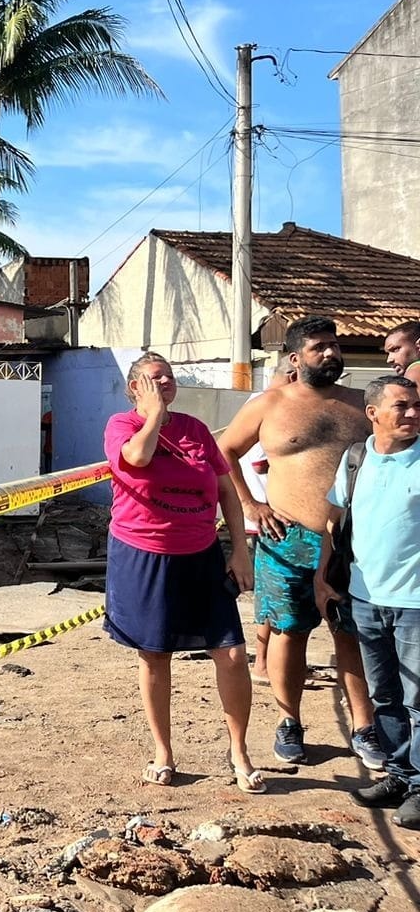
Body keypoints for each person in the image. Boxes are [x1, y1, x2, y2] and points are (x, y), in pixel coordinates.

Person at [217, 316, 382, 769]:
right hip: (286, 538)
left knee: (351, 633)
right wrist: (251, 504)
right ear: (294, 358)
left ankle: (364, 727)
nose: (330, 353)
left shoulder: (362, 404)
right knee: (290, 634)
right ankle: (290, 721)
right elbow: (224, 451)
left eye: (334, 346)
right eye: (319, 348)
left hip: (353, 540)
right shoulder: (269, 404)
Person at [104, 352, 262, 793]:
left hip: (202, 553)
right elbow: (135, 460)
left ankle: (239, 750)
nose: (166, 382)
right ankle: (163, 751)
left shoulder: (194, 430)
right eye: (155, 378)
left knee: (230, 653)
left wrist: (239, 550)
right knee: (155, 654)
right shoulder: (123, 425)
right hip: (144, 554)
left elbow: (226, 490)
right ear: (136, 387)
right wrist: (152, 416)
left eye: (169, 376)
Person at [318, 376, 420, 828]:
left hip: (416, 603)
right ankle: (399, 775)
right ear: (373, 413)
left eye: (417, 406)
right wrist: (325, 578)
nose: (414, 414)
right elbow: (335, 520)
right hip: (365, 597)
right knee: (385, 696)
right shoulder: (356, 459)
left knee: (419, 700)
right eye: (402, 406)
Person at [240, 360, 296, 683]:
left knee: (274, 594)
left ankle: (269, 661)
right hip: (269, 518)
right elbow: (260, 462)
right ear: (292, 374)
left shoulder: (261, 403)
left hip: (268, 515)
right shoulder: (269, 407)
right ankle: (262, 662)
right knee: (272, 594)